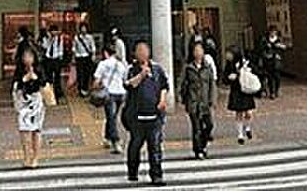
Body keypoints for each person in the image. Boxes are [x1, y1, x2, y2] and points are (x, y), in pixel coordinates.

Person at [123, 40, 169, 186]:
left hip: (154, 115)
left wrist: (162, 100)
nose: (142, 53)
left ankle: (156, 175)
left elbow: (164, 86)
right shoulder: (131, 69)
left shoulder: (157, 69)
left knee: (155, 146)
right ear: (135, 53)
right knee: (135, 145)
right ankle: (132, 171)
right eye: (139, 50)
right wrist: (141, 75)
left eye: (145, 50)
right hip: (136, 116)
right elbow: (128, 85)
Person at [179, 41, 215, 159]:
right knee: (197, 127)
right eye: (196, 50)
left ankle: (203, 144)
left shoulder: (207, 67)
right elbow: (182, 84)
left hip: (205, 101)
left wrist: (212, 99)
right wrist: (183, 98)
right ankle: (198, 150)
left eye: (200, 50)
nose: (198, 52)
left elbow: (212, 84)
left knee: (209, 125)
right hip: (193, 101)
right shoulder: (188, 68)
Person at [12, 45, 46, 168]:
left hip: (36, 102)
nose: (27, 59)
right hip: (24, 104)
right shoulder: (19, 70)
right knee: (24, 130)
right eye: (25, 56)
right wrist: (25, 79)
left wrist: (35, 77)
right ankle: (26, 156)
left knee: (36, 131)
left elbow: (44, 83)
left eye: (30, 56)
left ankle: (35, 157)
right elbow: (16, 86)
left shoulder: (39, 69)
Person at [92, 43, 127, 154]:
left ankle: (116, 141)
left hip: (109, 94)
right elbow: (124, 78)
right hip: (121, 93)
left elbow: (97, 81)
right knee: (112, 117)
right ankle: (107, 138)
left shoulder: (103, 64)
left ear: (105, 53)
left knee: (111, 118)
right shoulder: (121, 64)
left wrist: (96, 88)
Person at [223, 46, 256, 144]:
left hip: (245, 89)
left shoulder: (245, 63)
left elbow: (254, 71)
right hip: (236, 90)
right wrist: (229, 78)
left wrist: (244, 73)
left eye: (229, 53)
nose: (227, 55)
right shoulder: (229, 65)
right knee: (239, 113)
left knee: (248, 113)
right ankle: (240, 134)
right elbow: (224, 79)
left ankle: (248, 127)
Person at [259, 25, 288, 99]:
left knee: (277, 77)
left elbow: (284, 48)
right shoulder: (265, 40)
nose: (273, 33)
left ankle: (276, 90)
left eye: (274, 32)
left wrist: (280, 47)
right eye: (271, 31)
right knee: (270, 77)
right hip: (268, 60)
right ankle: (272, 92)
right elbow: (261, 49)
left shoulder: (279, 40)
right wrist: (265, 53)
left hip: (276, 60)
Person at [41, 23, 66, 100]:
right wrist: (49, 40)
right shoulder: (46, 38)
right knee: (49, 77)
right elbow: (44, 46)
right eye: (52, 31)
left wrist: (61, 58)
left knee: (57, 77)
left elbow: (61, 48)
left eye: (55, 31)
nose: (54, 32)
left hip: (56, 59)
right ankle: (49, 93)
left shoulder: (59, 38)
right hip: (48, 59)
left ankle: (58, 92)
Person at [72, 22, 97, 97]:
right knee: (80, 73)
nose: (84, 29)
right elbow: (74, 48)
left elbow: (93, 46)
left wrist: (93, 55)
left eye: (85, 28)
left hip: (87, 57)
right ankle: (80, 89)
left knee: (87, 73)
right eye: (82, 28)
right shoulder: (76, 38)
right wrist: (73, 57)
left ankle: (85, 88)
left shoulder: (90, 37)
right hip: (79, 57)